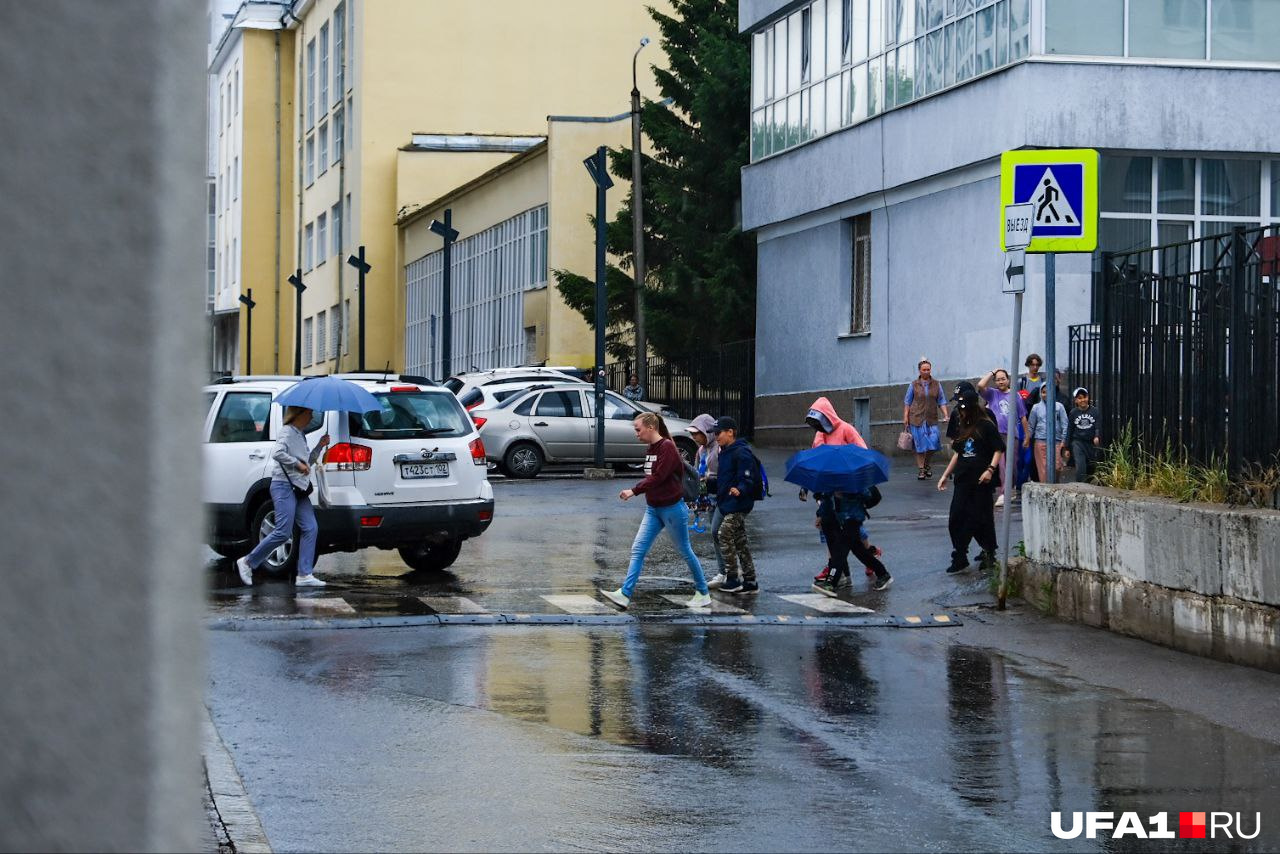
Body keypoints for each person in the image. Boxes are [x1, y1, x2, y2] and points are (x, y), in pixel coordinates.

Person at [602, 412, 711, 610]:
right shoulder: (651, 449)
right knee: (638, 549)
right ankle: (625, 594)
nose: (636, 433)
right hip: (653, 509)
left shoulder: (667, 447)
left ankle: (703, 593)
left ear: (651, 427)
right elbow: (655, 477)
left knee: (685, 550)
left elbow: (659, 477)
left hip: (672, 508)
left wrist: (633, 491)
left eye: (638, 429)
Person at [236, 406, 331, 587]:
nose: (311, 417)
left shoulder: (300, 434)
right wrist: (297, 464)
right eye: (309, 413)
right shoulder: (287, 432)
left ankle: (304, 574)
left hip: (299, 488)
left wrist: (320, 445)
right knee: (282, 531)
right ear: (299, 414)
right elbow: (277, 453)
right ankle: (248, 562)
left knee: (311, 528)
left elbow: (307, 463)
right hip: (284, 486)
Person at [804, 397, 880, 583]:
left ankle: (865, 562)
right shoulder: (820, 435)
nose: (818, 426)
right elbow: (817, 458)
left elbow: (862, 452)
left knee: (851, 534)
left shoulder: (846, 429)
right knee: (831, 529)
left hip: (848, 489)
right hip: (828, 488)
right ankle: (839, 569)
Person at [937, 391, 1003, 574]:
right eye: (959, 409)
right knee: (956, 517)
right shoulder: (962, 426)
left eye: (964, 408)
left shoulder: (986, 426)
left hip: (981, 481)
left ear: (973, 408)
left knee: (981, 518)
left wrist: (990, 470)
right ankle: (960, 555)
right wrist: (945, 475)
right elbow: (958, 453)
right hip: (963, 479)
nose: (962, 412)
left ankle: (989, 553)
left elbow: (998, 449)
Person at [812, 489, 892, 596]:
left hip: (852, 519)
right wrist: (820, 515)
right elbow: (825, 499)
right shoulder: (830, 478)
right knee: (858, 550)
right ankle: (883, 574)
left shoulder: (856, 479)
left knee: (840, 551)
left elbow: (874, 497)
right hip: (836, 519)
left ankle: (831, 582)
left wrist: (854, 500)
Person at [712, 416, 760, 595]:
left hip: (740, 503)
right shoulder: (724, 451)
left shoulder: (741, 452)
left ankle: (732, 578)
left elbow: (748, 476)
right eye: (714, 433)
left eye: (718, 433)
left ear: (730, 432)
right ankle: (750, 580)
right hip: (728, 502)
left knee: (723, 533)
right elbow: (725, 477)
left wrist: (740, 488)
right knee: (740, 541)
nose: (716, 437)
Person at [976, 368, 1030, 508]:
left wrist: (1027, 435)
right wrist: (992, 372)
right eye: (998, 379)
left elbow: (1023, 416)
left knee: (1012, 464)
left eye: (1003, 378)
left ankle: (1009, 489)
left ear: (1008, 380)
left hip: (1013, 435)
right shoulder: (992, 394)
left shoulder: (1015, 396)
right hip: (996, 435)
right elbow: (980, 386)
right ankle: (1003, 493)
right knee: (1001, 464)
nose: (1000, 381)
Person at [686, 413, 726, 586]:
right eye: (693, 434)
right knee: (716, 534)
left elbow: (725, 472)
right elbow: (697, 471)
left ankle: (732, 572)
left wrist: (709, 479)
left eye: (697, 433)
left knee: (720, 532)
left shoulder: (719, 448)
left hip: (722, 496)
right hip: (709, 497)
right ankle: (723, 572)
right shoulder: (701, 450)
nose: (694, 437)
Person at [902, 358, 949, 480]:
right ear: (919, 371)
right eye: (924, 370)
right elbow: (907, 402)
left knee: (934, 443)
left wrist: (945, 414)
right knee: (920, 446)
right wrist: (905, 417)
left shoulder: (936, 384)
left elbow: (942, 400)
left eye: (928, 369)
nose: (926, 372)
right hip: (916, 418)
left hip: (931, 418)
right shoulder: (913, 385)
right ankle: (921, 469)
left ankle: (927, 464)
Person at [1025, 384, 1068, 483]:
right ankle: (1045, 491)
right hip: (1040, 440)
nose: (1046, 394)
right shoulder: (1036, 407)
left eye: (1048, 391)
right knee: (1043, 469)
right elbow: (1031, 425)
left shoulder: (1059, 406)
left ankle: (1055, 486)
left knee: (1057, 466)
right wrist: (1027, 439)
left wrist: (1064, 440)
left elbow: (1065, 424)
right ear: (1040, 393)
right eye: (1043, 392)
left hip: (1056, 441)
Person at [1065, 387, 1102, 482]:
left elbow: (1097, 425)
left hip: (1090, 443)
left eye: (1084, 397)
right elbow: (1070, 429)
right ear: (1076, 400)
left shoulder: (1095, 411)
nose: (1082, 400)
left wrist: (1097, 436)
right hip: (1078, 442)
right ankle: (1079, 487)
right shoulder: (1073, 413)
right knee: (1080, 467)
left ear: (1088, 397)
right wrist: (1067, 447)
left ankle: (1087, 487)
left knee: (1091, 468)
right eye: (1079, 398)